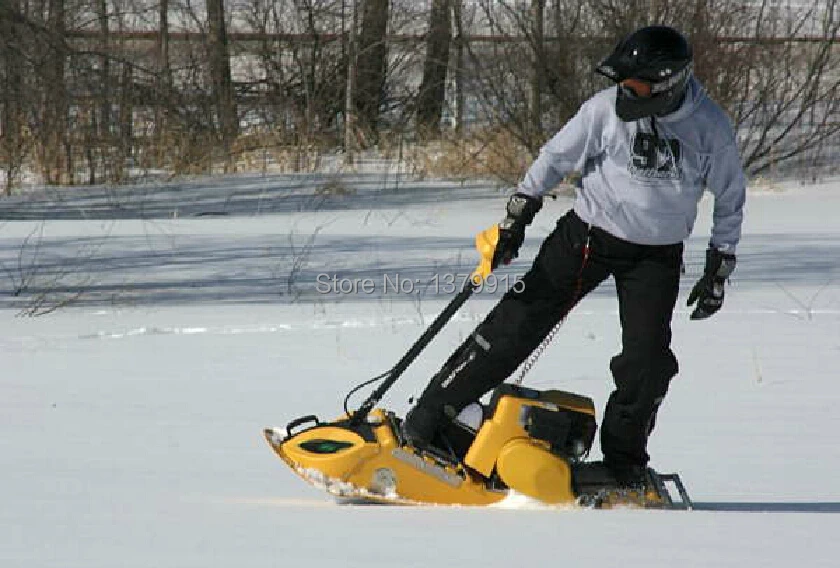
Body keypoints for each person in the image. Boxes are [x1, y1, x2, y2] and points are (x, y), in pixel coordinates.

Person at [402, 25, 746, 486]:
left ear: (667, 81)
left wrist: (720, 262)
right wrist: (518, 215)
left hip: (655, 256)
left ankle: (623, 465)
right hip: (586, 237)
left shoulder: (711, 127)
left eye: (636, 84)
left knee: (647, 362)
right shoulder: (605, 110)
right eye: (623, 82)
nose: (626, 90)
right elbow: (554, 158)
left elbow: (730, 195)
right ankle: (429, 418)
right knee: (515, 324)